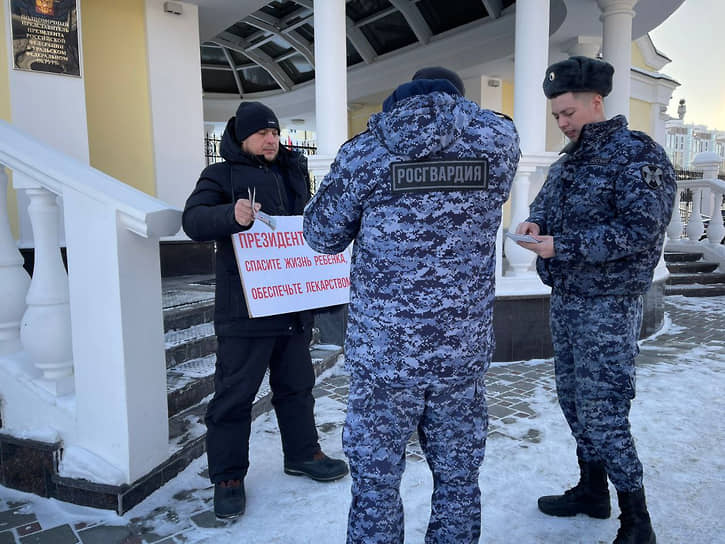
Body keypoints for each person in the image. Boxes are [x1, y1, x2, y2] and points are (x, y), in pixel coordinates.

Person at [304, 67, 520, 543]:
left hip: (385, 359)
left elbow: (321, 236)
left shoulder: (365, 152)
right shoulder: (497, 141)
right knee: (459, 483)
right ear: (458, 98)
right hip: (460, 353)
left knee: (376, 487)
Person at [514, 56, 676, 544]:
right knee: (573, 402)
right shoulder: (570, 161)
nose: (562, 123)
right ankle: (592, 490)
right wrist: (534, 224)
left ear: (596, 101)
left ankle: (637, 520)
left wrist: (563, 246)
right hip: (567, 300)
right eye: (556, 116)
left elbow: (641, 230)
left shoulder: (637, 155)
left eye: (568, 113)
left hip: (609, 306)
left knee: (604, 411)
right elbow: (545, 204)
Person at [182, 101, 348, 520]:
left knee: (297, 387)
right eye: (261, 133)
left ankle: (303, 453)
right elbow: (193, 220)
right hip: (244, 310)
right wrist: (230, 214)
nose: (271, 139)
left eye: (274, 132)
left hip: (291, 306)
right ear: (241, 138)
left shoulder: (292, 171)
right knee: (234, 398)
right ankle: (228, 477)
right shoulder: (220, 175)